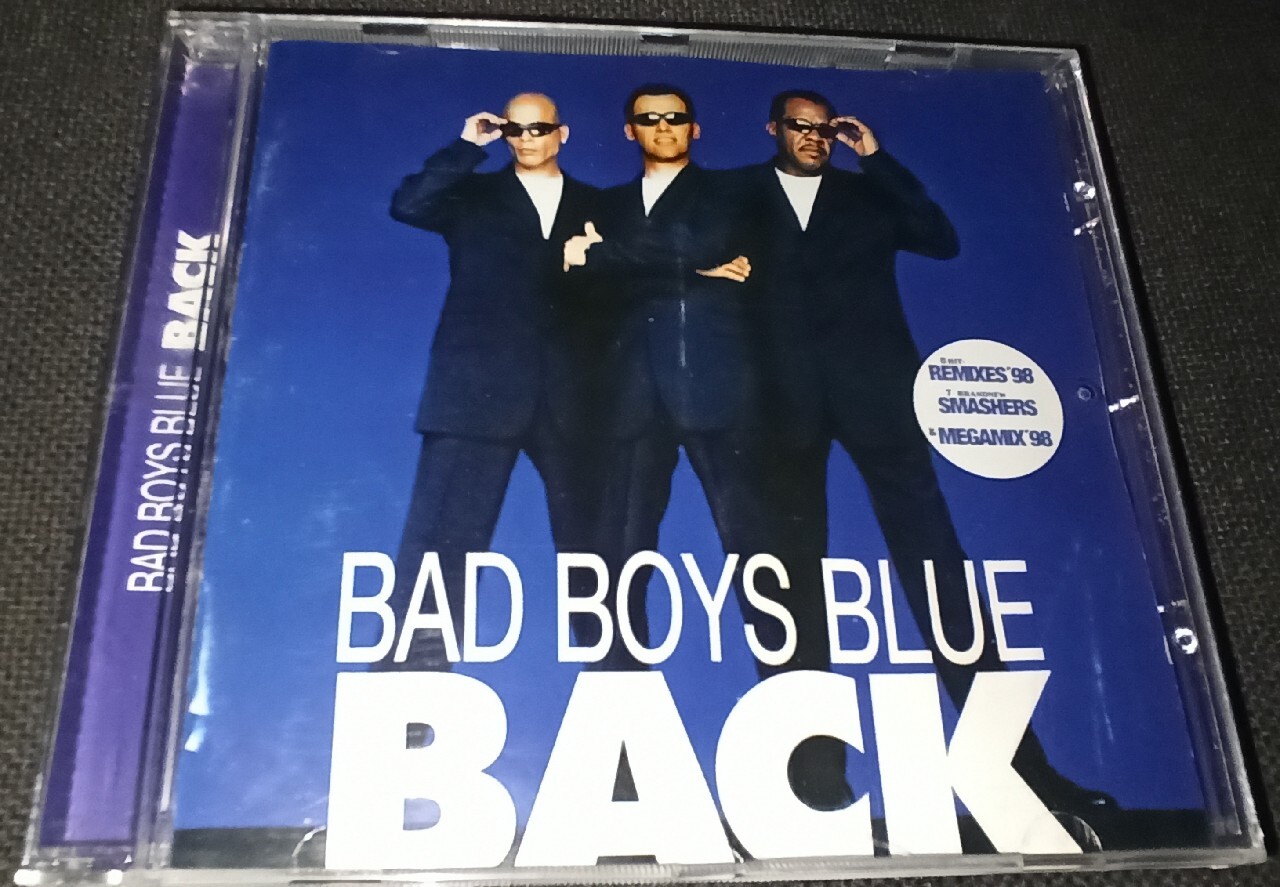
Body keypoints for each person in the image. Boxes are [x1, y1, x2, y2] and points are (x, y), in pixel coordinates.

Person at [740, 89, 1116, 834]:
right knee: (788, 585)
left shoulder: (868, 193)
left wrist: (877, 158)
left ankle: (1018, 771)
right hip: (779, 410)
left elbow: (939, 238)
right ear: (773, 128)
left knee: (942, 574)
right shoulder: (734, 194)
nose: (813, 138)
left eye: (824, 129)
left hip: (881, 401)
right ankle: (811, 786)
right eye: (799, 127)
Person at [384, 93, 605, 669]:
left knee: (599, 547)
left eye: (539, 129)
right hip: (476, 390)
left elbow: (643, 269)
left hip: (576, 394)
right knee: (442, 540)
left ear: (562, 133)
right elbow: (409, 205)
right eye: (515, 129)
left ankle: (615, 684)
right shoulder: (471, 195)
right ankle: (413, 679)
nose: (527, 139)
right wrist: (466, 145)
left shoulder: (601, 206)